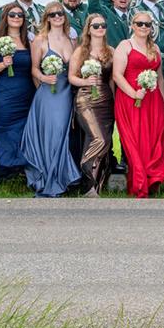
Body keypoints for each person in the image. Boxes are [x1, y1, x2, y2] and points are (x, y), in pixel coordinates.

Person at [19, 2, 81, 197]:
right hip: (48, 94)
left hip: (67, 93)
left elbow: (76, 66)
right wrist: (44, 78)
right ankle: (47, 177)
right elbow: (34, 69)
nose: (57, 17)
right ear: (46, 18)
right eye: (53, 14)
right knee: (52, 135)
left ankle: (62, 177)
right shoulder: (40, 40)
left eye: (60, 13)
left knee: (63, 134)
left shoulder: (72, 40)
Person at [113, 9, 164, 197]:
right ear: (132, 25)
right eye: (140, 24)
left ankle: (152, 180)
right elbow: (117, 75)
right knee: (135, 141)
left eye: (147, 24)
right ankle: (138, 182)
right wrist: (134, 93)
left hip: (153, 101)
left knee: (153, 140)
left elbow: (160, 77)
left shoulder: (156, 48)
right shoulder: (125, 45)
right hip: (130, 99)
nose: (144, 27)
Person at [0, 2, 34, 184]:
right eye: (12, 15)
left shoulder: (29, 41)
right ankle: (2, 174)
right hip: (5, 96)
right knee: (5, 133)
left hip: (27, 94)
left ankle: (20, 173)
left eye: (20, 15)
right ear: (6, 17)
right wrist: (3, 64)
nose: (16, 18)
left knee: (24, 133)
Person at [68, 13, 115, 196]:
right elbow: (71, 77)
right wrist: (85, 82)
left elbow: (111, 79)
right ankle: (86, 178)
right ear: (88, 29)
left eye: (103, 25)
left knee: (106, 141)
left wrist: (115, 100)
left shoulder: (110, 51)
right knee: (98, 139)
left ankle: (94, 187)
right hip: (86, 98)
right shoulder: (81, 51)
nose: (100, 28)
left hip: (106, 99)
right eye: (95, 26)